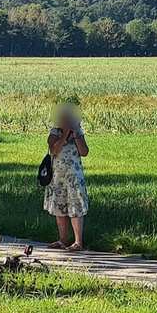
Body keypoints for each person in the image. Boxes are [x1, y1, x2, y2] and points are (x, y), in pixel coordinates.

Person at [44, 103, 89, 251]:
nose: (66, 120)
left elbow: (84, 152)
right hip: (58, 177)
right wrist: (65, 133)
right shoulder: (54, 133)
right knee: (59, 207)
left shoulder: (78, 132)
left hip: (74, 177)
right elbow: (54, 150)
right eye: (64, 118)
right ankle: (63, 239)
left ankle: (78, 242)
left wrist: (75, 133)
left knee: (75, 207)